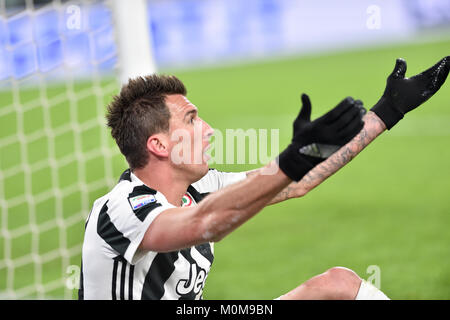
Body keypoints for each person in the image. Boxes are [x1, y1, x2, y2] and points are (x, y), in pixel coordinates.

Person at [79, 56, 449, 300]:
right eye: (192, 120)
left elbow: (295, 181)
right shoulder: (121, 209)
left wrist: (386, 112)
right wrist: (292, 160)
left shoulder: (199, 189)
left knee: (338, 285)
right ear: (158, 144)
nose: (208, 130)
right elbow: (203, 224)